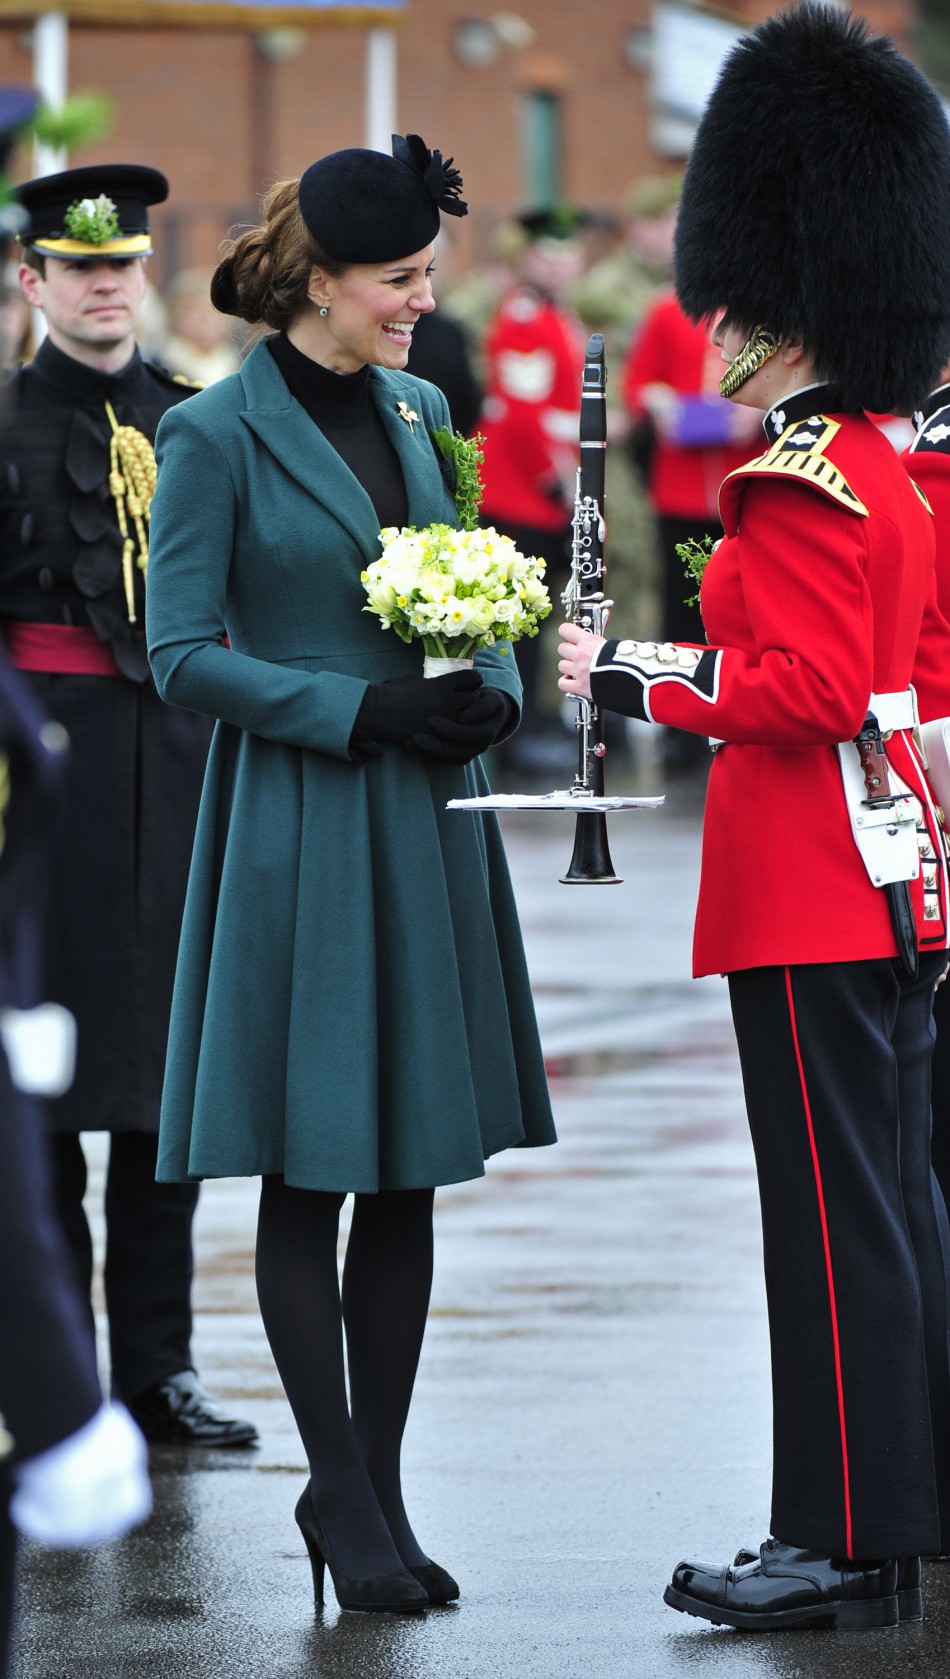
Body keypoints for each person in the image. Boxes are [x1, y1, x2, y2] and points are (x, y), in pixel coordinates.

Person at [559, 2, 950, 1631]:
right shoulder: (896, 465)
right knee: (902, 1202)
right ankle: (896, 1511)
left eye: (728, 304)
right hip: (898, 875)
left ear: (777, 308)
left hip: (804, 886)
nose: (703, 324)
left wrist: (634, 671)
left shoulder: (795, 479)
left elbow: (790, 684)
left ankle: (840, 1536)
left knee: (831, 1223)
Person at [145, 133, 556, 1614]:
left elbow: (476, 575)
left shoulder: (419, 399)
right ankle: (336, 1476)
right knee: (315, 1163)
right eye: (397, 280)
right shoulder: (211, 433)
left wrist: (492, 689)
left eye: (426, 276)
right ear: (314, 281)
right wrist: (358, 707)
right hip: (303, 823)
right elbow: (179, 653)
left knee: (409, 1167)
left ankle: (371, 1484)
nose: (419, 300)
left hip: (424, 816)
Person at [0, 163, 258, 1449]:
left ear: (143, 272)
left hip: (181, 765)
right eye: (74, 268)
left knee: (169, 1084)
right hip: (40, 785)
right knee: (39, 1084)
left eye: (120, 266)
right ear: (33, 279)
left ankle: (157, 1368)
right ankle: (48, 1376)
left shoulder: (200, 421)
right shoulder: (1, 423)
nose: (103, 287)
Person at [623, 281, 761, 778]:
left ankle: (740, 713)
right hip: (680, 488)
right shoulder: (665, 310)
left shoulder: (765, 305)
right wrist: (663, 404)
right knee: (681, 609)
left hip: (746, 478)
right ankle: (683, 727)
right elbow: (640, 384)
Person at [477, 206, 586, 773]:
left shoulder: (550, 313)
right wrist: (557, 487)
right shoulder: (524, 315)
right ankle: (510, 735)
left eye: (570, 254)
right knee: (515, 620)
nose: (563, 265)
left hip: (541, 485)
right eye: (550, 254)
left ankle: (524, 726)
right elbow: (522, 416)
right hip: (523, 488)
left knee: (532, 618)